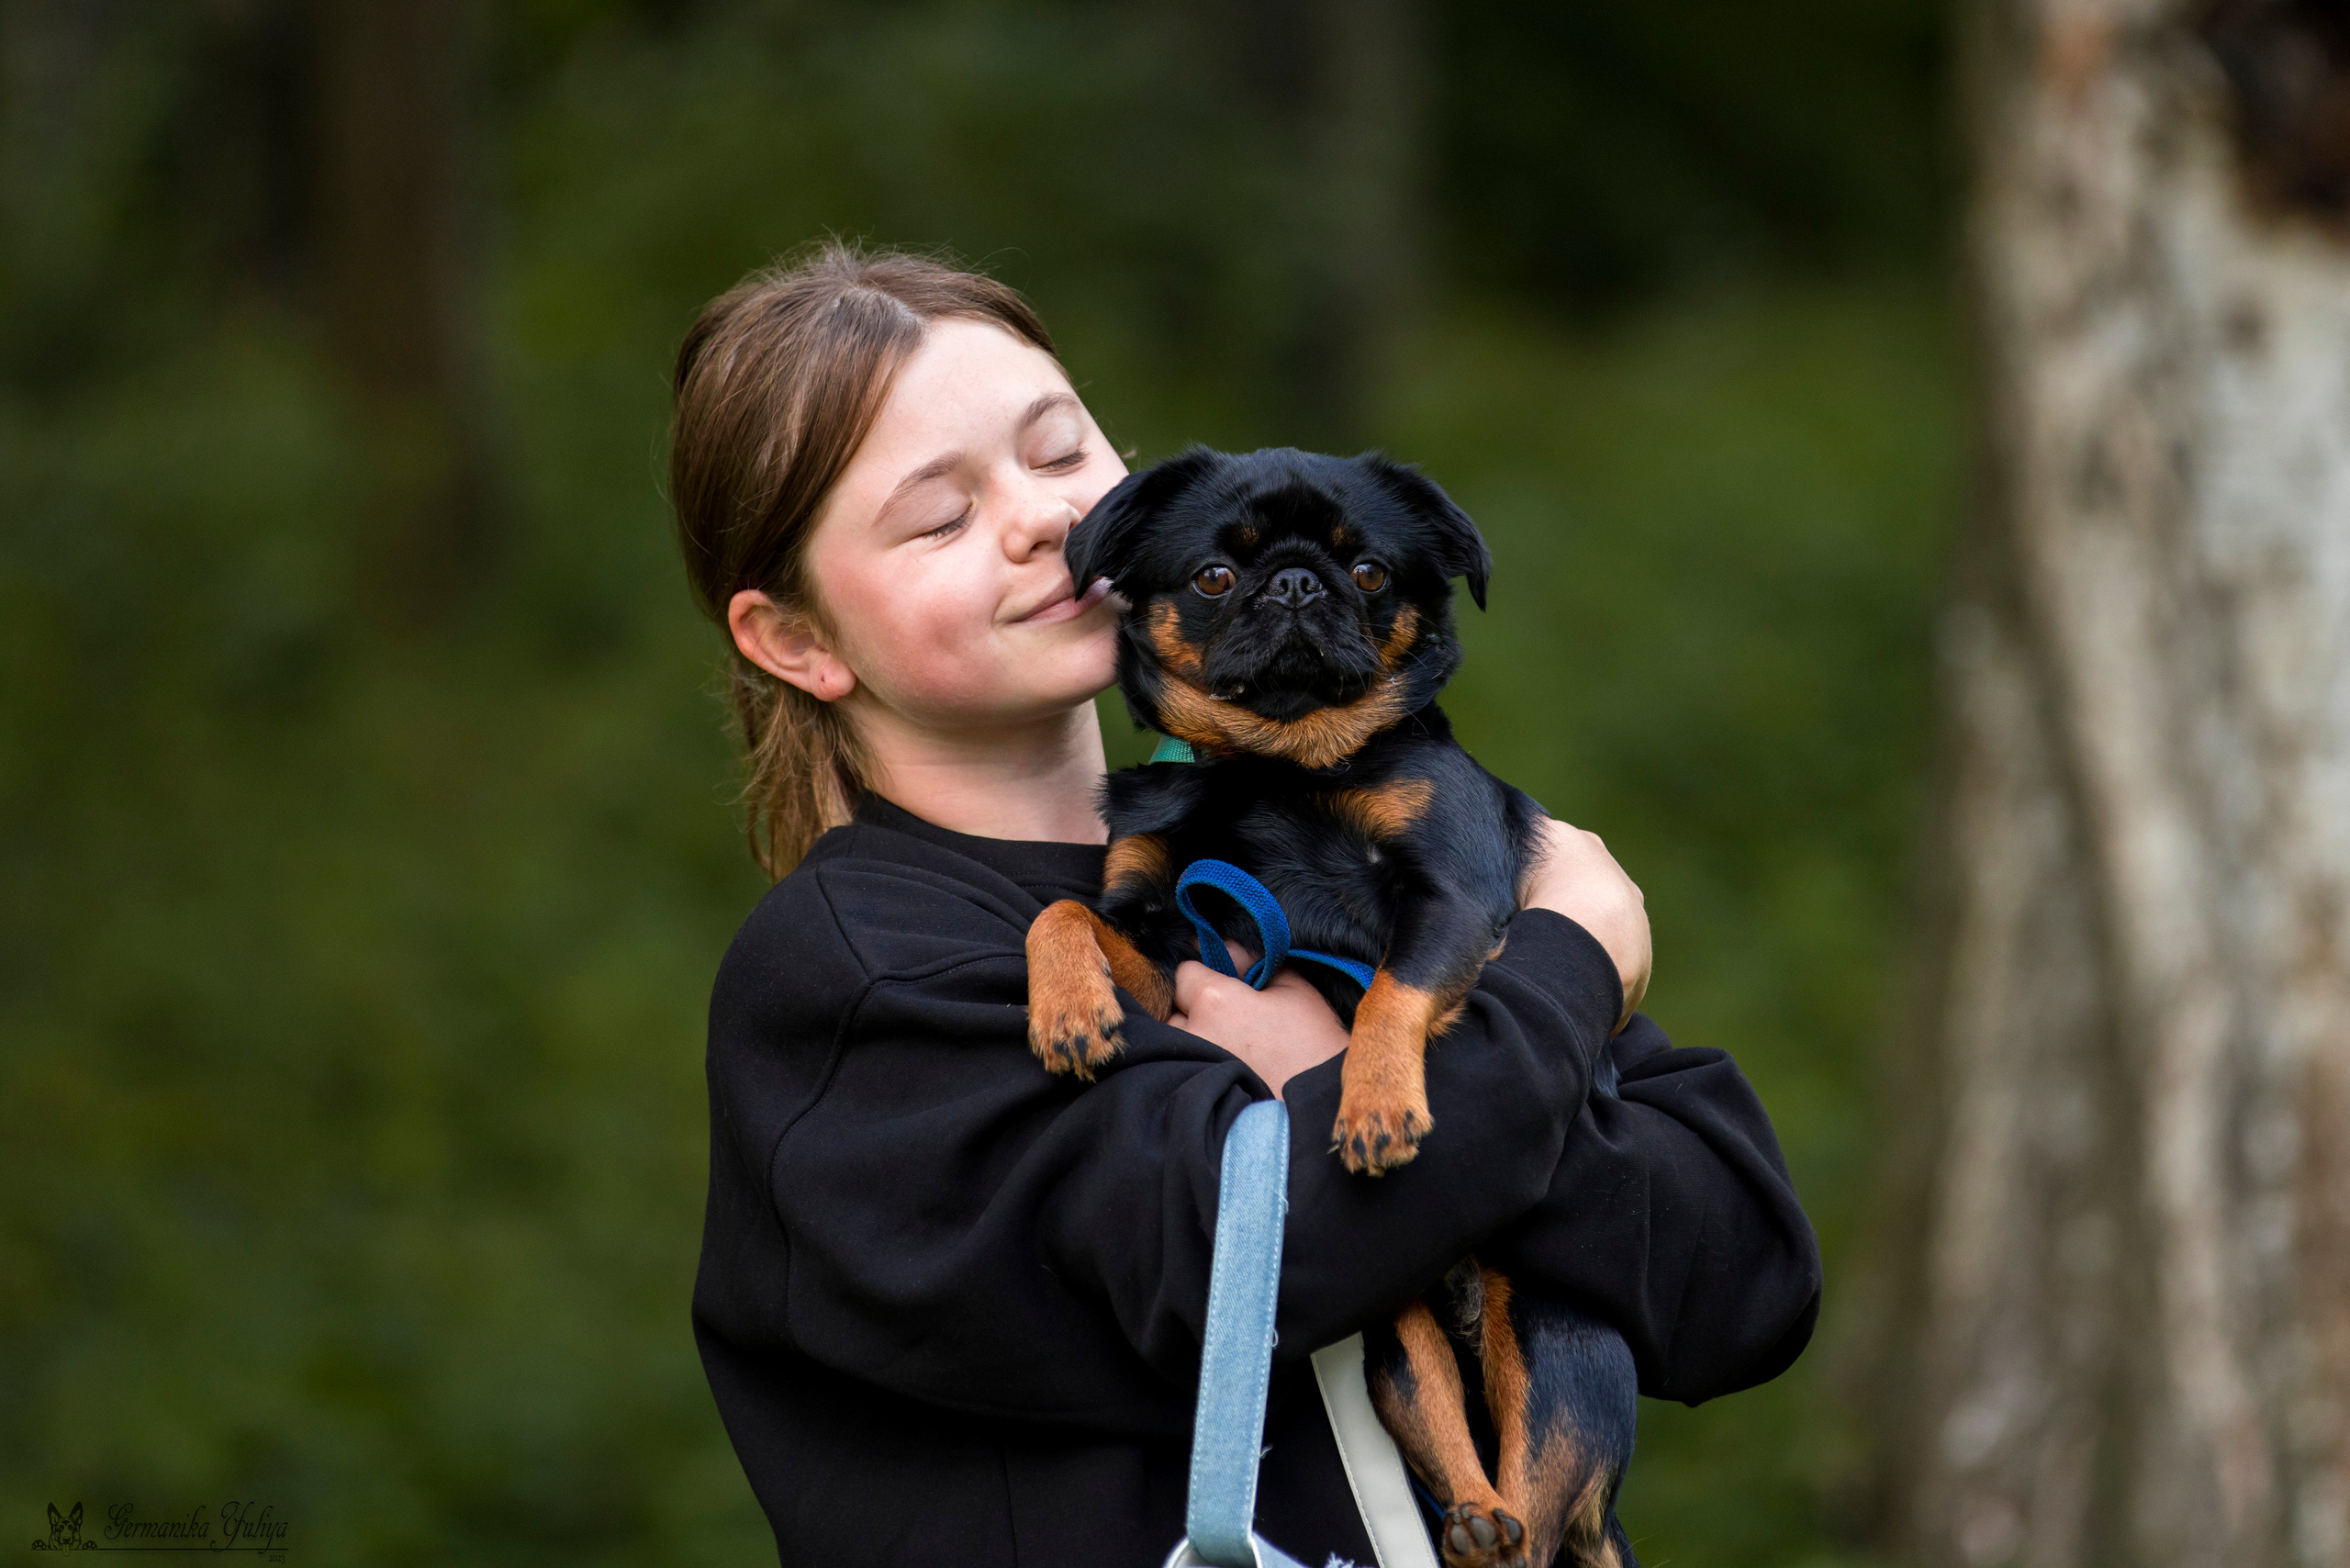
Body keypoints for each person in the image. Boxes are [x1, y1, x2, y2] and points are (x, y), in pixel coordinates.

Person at [674, 243, 1820, 1565]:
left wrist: (1400, 1079)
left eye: (1058, 453)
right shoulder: (855, 981)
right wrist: (1565, 968)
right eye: (937, 516)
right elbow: (1239, 1264)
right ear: (796, 641)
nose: (1039, 519)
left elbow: (1746, 1278)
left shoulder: (1320, 849)